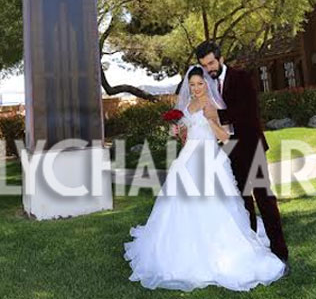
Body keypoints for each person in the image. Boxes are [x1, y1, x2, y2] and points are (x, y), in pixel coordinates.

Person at [123, 66, 286, 291]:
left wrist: (211, 120)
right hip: (189, 158)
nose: (196, 88)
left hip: (212, 159)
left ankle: (222, 253)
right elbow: (186, 138)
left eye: (200, 84)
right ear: (187, 87)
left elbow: (225, 137)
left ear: (206, 84)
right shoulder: (187, 106)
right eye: (192, 85)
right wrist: (178, 133)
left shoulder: (214, 104)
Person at [195, 41, 290, 268]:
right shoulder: (207, 83)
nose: (209, 69)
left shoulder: (241, 77)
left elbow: (247, 113)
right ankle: (251, 249)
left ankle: (280, 253)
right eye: (204, 65)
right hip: (229, 150)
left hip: (251, 147)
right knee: (242, 201)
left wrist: (219, 114)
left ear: (220, 58)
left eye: (211, 63)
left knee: (264, 199)